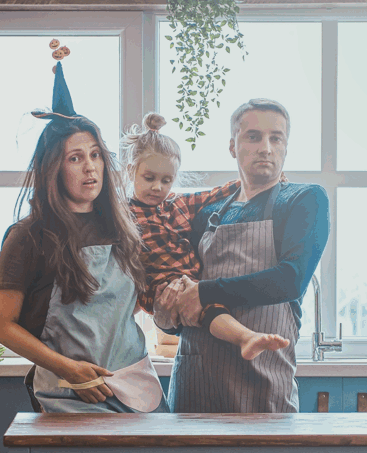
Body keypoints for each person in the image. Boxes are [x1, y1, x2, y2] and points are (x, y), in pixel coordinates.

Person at [0, 57, 165, 453]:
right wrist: (66, 368)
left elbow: (129, 309)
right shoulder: (29, 237)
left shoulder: (123, 227)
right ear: (52, 169)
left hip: (133, 386)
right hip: (69, 398)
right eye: (74, 158)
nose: (89, 168)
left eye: (95, 156)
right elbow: (0, 325)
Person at [153, 98, 330, 453]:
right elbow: (177, 280)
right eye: (253, 137)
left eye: (276, 138)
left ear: (287, 147)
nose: (264, 148)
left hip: (262, 383)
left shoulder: (303, 201)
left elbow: (289, 278)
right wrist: (169, 309)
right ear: (233, 145)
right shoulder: (209, 209)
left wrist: (204, 291)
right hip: (197, 385)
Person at [122, 112, 288, 362]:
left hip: (191, 281)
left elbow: (213, 194)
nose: (158, 187)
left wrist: (267, 182)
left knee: (207, 302)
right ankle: (245, 338)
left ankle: (244, 337)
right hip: (161, 287)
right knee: (208, 309)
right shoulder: (123, 214)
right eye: (149, 178)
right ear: (132, 170)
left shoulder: (176, 204)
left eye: (166, 180)